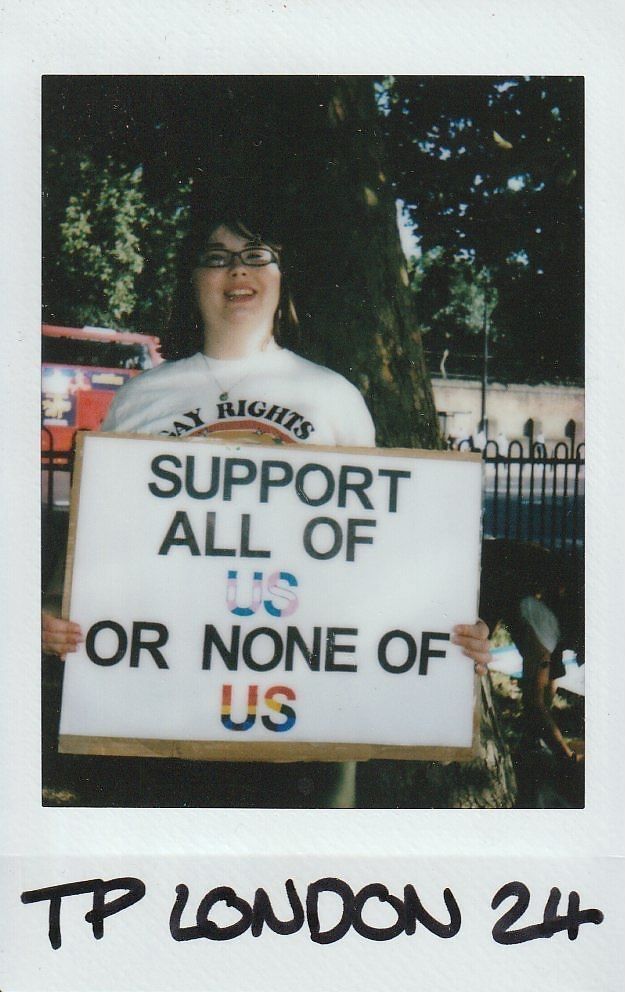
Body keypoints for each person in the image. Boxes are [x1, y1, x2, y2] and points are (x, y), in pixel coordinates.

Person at [42, 212, 491, 806]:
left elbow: (378, 553)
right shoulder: (140, 399)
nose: (236, 271)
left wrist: (445, 632)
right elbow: (96, 549)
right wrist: (54, 613)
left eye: (257, 255)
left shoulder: (333, 398)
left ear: (283, 279)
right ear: (193, 278)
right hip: (163, 711)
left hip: (305, 724)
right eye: (217, 255)